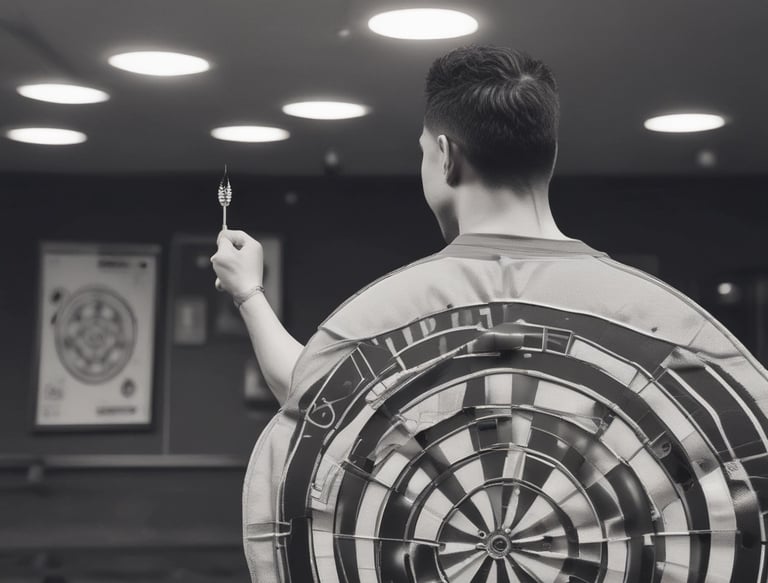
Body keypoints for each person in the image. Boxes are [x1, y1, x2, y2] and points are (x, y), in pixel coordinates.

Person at [211, 45, 768, 582]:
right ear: (547, 157)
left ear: (446, 156)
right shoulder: (656, 314)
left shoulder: (386, 313)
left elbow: (313, 405)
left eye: (424, 152)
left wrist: (249, 295)